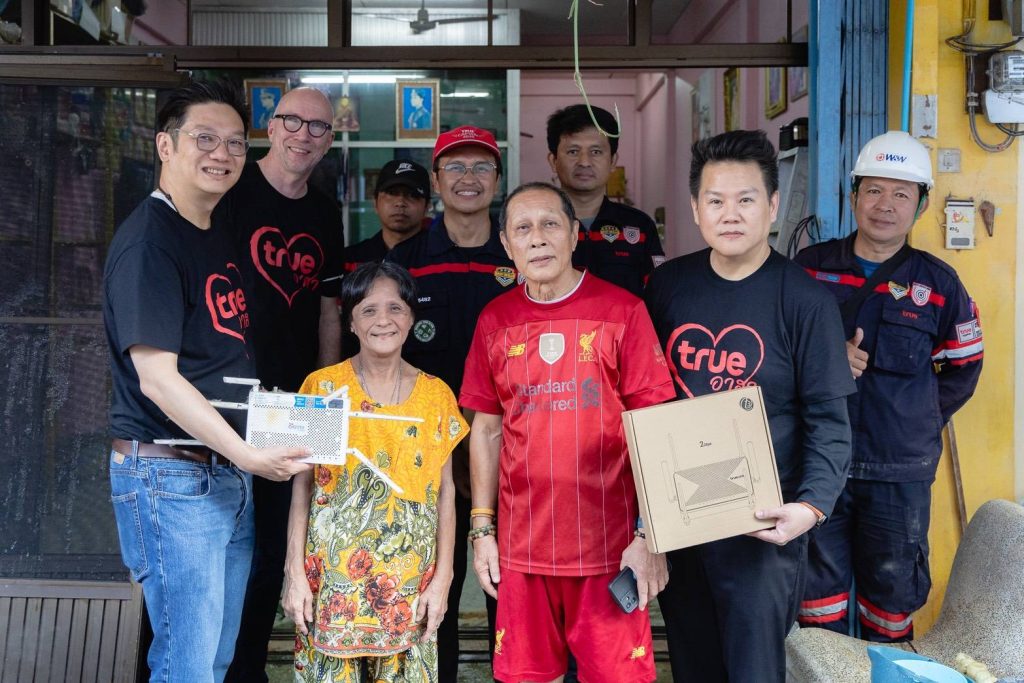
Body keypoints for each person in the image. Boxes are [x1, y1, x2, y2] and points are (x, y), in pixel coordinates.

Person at [103, 79, 311, 682]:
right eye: (203, 138)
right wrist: (248, 453)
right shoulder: (151, 241)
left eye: (233, 143)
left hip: (221, 475)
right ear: (165, 146)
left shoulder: (212, 232)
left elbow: (217, 370)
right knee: (187, 664)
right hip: (170, 477)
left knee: (216, 659)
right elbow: (159, 381)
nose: (221, 153)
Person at [643, 129, 855, 683]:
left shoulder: (806, 302)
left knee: (755, 671)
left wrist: (808, 510)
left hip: (763, 529)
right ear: (694, 208)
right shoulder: (667, 288)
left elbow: (831, 423)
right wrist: (644, 524)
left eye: (746, 199)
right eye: (715, 200)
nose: (730, 214)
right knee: (691, 664)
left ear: (774, 205)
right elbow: (643, 401)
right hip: (681, 523)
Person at [460, 182, 675, 683]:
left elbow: (654, 428)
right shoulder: (495, 320)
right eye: (523, 229)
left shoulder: (623, 312)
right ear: (507, 244)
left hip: (610, 548)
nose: (537, 239)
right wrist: (482, 531)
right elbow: (487, 432)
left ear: (575, 235)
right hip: (521, 552)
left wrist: (651, 536)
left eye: (550, 225)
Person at [795, 131, 984, 641]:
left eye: (902, 194)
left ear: (921, 206)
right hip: (817, 467)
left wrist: (918, 419)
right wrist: (824, 361)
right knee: (817, 606)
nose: (886, 205)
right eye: (874, 190)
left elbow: (963, 367)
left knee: (891, 602)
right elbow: (769, 357)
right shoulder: (808, 271)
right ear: (853, 195)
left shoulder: (939, 285)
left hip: (898, 471)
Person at [283, 261, 467, 682]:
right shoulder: (324, 389)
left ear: (411, 317)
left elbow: (445, 494)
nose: (383, 320)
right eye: (368, 310)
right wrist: (294, 574)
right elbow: (302, 488)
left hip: (409, 589)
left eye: (395, 308)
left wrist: (444, 580)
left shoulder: (436, 396)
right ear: (350, 321)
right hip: (331, 587)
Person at [222, 86, 345, 682]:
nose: (304, 135)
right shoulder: (230, 190)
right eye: (292, 121)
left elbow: (328, 309)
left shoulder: (324, 211)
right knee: (214, 547)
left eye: (318, 127)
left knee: (274, 548)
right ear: (270, 126)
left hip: (291, 405)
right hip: (219, 399)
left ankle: (246, 669)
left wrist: (321, 398)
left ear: (329, 140)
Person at [388, 125, 514, 683]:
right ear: (436, 182)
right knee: (429, 584)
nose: (469, 178)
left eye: (481, 167)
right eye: (455, 168)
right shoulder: (407, 261)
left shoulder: (520, 250)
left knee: (506, 586)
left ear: (497, 178)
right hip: (425, 455)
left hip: (509, 452)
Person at [546, 104, 665, 296]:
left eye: (596, 152)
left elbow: (658, 294)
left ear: (613, 161)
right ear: (553, 161)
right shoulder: (534, 227)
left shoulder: (639, 226)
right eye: (573, 151)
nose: (584, 162)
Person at [346, 158, 431, 267]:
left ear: (427, 207)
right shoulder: (350, 261)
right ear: (375, 203)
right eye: (392, 193)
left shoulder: (444, 261)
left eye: (412, 195)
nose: (400, 202)